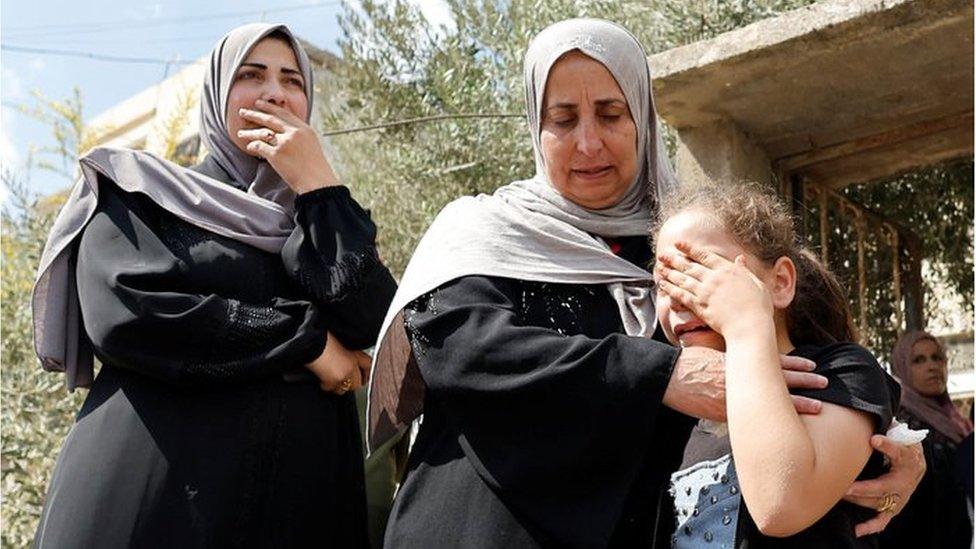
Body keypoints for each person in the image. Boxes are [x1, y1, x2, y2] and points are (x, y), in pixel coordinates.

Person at [365, 18, 922, 548]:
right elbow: (463, 353)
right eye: (562, 119)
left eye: (610, 114)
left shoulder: (682, 243)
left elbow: (798, 335)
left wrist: (889, 450)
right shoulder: (484, 233)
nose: (587, 144)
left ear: (644, 119)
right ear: (536, 127)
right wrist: (662, 372)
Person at [30, 23, 396, 548]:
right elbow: (130, 313)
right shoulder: (144, 193)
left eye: (292, 81)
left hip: (299, 507)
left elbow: (372, 320)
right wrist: (310, 343)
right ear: (217, 93)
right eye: (252, 75)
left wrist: (318, 183)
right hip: (156, 496)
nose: (275, 92)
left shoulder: (327, 220)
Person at [654, 182, 902, 547]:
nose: (679, 296)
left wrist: (746, 327)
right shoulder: (673, 413)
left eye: (700, 271)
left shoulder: (841, 373)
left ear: (780, 281)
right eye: (664, 283)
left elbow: (780, 504)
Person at [879, 331, 973, 548]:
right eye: (918, 360)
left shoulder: (958, 424)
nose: (932, 366)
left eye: (937, 357)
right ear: (901, 368)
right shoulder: (901, 426)